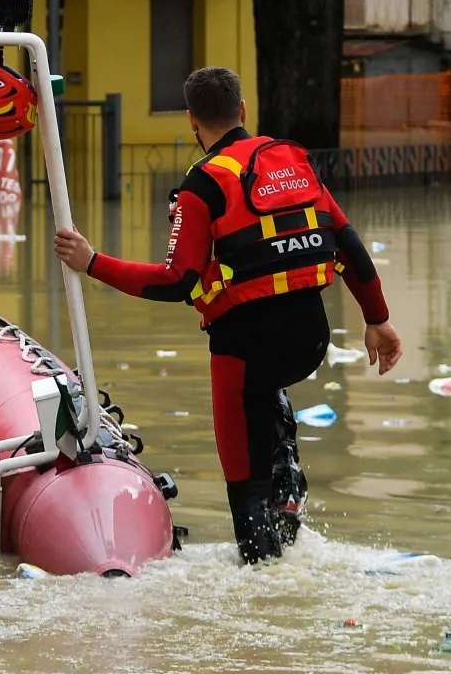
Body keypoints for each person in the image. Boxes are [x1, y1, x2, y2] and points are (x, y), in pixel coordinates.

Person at [54, 66, 402, 564]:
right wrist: (378, 319)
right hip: (310, 339)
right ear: (242, 111)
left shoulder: (203, 185)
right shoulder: (292, 160)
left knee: (245, 480)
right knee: (268, 404)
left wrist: (92, 263)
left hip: (246, 346)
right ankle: (287, 488)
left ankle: (261, 549)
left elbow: (178, 281)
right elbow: (347, 244)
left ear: (192, 121)